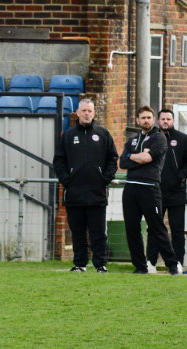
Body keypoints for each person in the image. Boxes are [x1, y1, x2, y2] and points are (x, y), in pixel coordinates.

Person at [53, 98, 118, 273]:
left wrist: (105, 178)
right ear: (78, 113)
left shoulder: (103, 134)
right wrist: (67, 180)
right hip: (74, 194)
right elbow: (58, 161)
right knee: (78, 232)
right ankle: (80, 264)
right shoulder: (68, 136)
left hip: (97, 193)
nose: (87, 114)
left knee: (98, 233)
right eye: (84, 111)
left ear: (94, 113)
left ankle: (100, 264)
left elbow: (113, 159)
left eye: (90, 111)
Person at [118, 105, 180, 275]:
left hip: (149, 188)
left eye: (148, 118)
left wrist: (132, 156)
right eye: (143, 118)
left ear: (153, 120)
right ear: (137, 120)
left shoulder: (159, 138)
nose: (146, 121)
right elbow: (122, 162)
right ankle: (140, 266)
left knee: (156, 227)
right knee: (131, 228)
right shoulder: (132, 140)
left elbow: (147, 158)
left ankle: (172, 265)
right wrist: (134, 157)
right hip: (131, 188)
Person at [157, 108, 187, 273]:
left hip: (177, 192)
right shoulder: (152, 138)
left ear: (173, 121)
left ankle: (178, 263)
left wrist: (179, 176)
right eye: (163, 119)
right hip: (156, 193)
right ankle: (151, 262)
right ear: (158, 121)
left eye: (168, 119)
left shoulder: (183, 139)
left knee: (177, 230)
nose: (165, 121)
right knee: (154, 228)